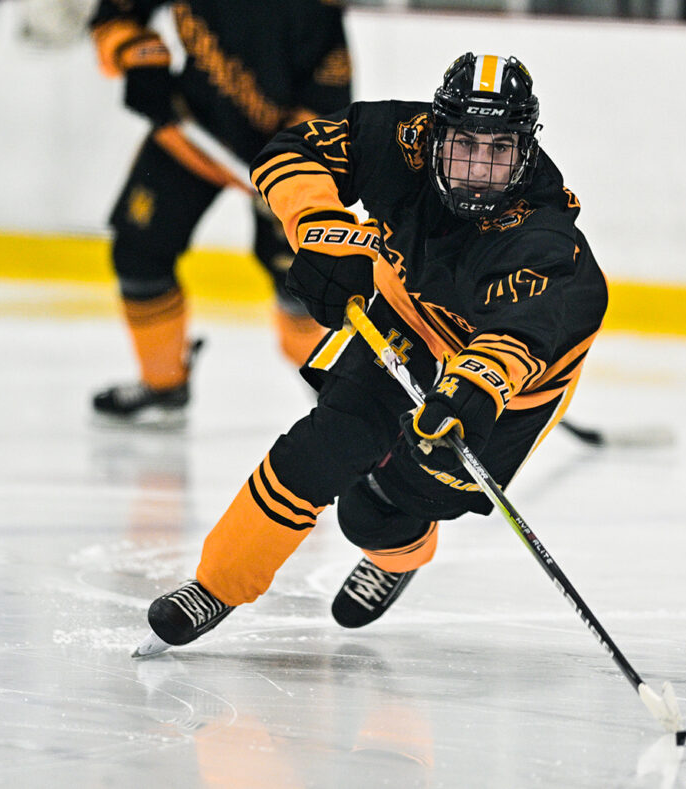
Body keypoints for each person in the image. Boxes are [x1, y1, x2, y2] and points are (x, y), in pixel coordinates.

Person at [132, 53, 608, 655]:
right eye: (465, 146)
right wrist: (321, 231)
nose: (479, 171)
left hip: (510, 390)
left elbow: (517, 342)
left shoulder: (544, 241)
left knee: (377, 510)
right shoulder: (400, 141)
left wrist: (471, 388)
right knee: (321, 448)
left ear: (526, 150)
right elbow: (288, 152)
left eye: (499, 151)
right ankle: (216, 586)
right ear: (438, 133)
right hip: (405, 319)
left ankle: (400, 551)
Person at [88, 0, 352, 425]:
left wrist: (296, 171)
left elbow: (328, 100)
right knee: (139, 254)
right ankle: (163, 384)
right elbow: (115, 15)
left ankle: (341, 399)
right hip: (190, 129)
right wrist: (136, 55)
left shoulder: (317, 13)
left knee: (301, 288)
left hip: (281, 153)